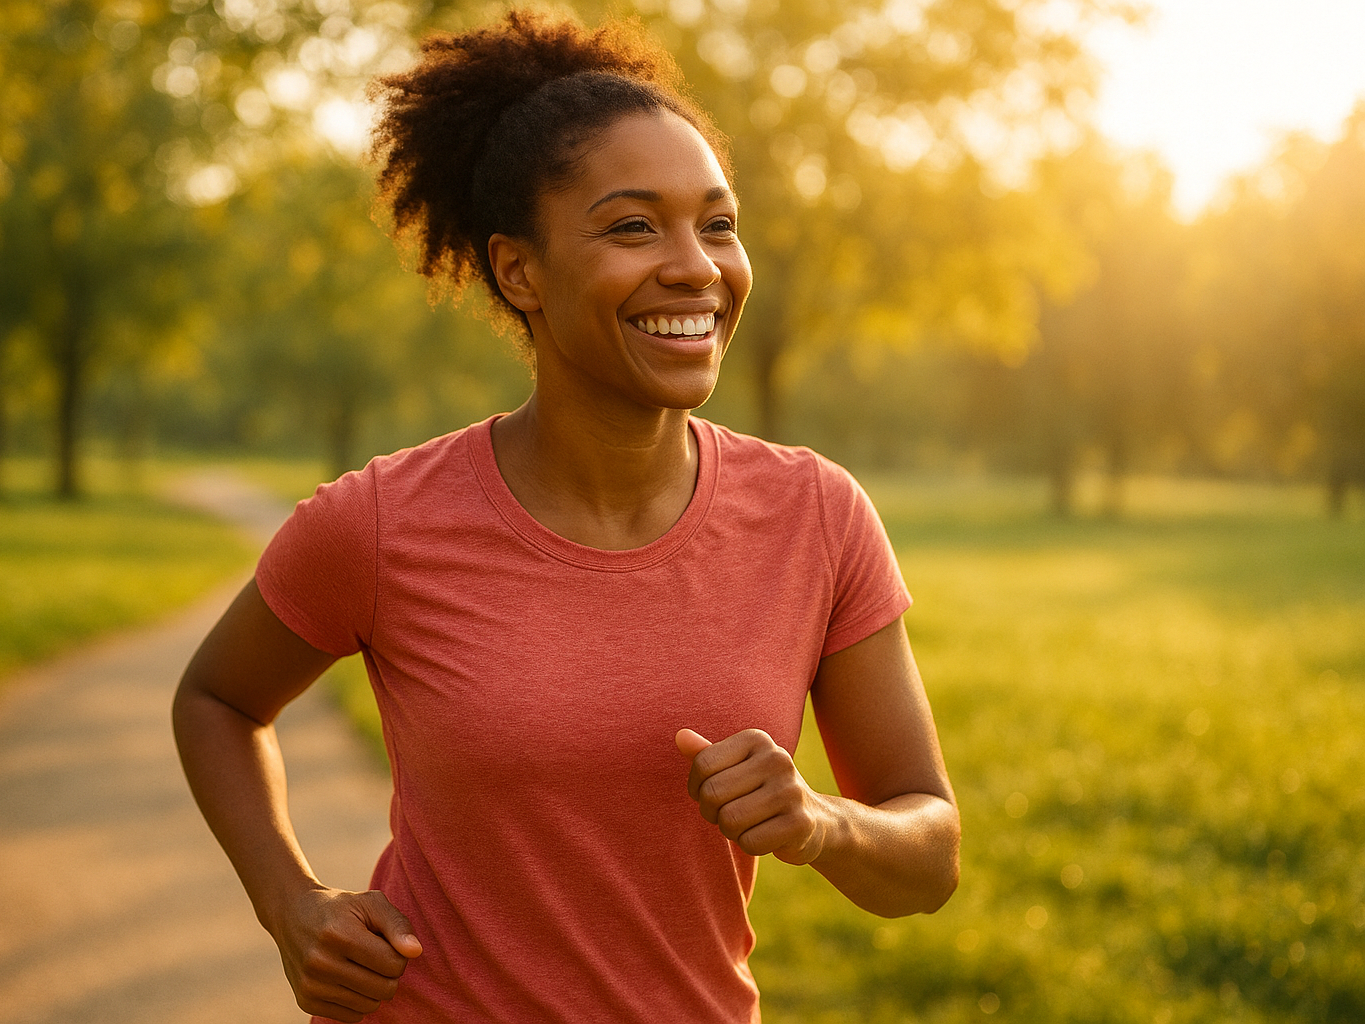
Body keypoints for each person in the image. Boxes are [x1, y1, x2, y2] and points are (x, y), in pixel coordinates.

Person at [172, 11, 960, 1023]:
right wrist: (290, 903)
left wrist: (821, 823)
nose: (696, 266)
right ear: (520, 271)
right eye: (633, 227)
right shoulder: (380, 522)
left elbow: (928, 855)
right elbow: (218, 700)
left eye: (718, 224)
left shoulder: (817, 515)